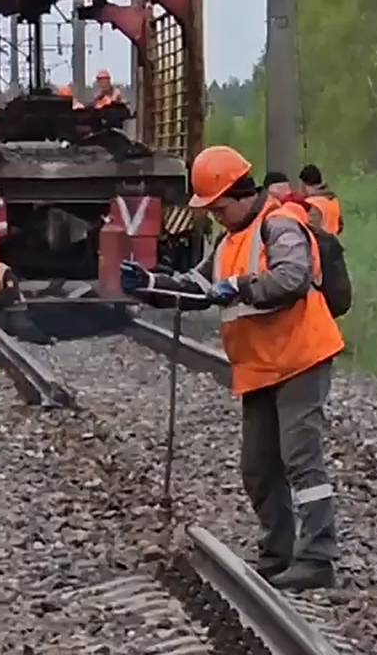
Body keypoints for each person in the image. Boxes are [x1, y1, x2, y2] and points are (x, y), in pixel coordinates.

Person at [121, 145, 344, 591]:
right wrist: (152, 285)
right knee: (258, 467)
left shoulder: (279, 225)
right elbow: (200, 287)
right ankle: (277, 553)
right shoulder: (228, 241)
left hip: (300, 357)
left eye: (220, 208)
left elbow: (290, 278)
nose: (217, 217)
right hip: (260, 367)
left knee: (301, 460)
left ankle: (318, 557)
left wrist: (239, 287)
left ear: (239, 194)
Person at [299, 165, 343, 235]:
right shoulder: (333, 199)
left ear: (303, 184)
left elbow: (311, 229)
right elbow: (340, 225)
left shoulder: (311, 203)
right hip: (334, 242)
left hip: (320, 243)